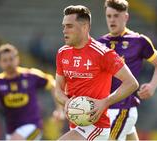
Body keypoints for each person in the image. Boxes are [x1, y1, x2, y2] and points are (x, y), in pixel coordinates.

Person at [55, 5, 139, 140]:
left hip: (96, 127)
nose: (64, 30)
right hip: (76, 125)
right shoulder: (62, 53)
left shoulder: (103, 53)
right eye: (64, 26)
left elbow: (132, 83)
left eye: (69, 26)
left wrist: (104, 102)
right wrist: (66, 102)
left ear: (84, 27)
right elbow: (58, 89)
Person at [97, 0, 157, 141]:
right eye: (109, 16)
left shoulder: (139, 41)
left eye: (116, 16)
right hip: (105, 108)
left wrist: (152, 86)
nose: (112, 20)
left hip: (123, 108)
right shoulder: (100, 43)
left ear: (126, 17)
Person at [0, 44, 57, 140]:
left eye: (11, 59)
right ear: (0, 63)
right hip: (11, 130)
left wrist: (59, 109)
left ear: (18, 59)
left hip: (32, 126)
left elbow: (53, 84)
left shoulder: (31, 75)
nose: (9, 63)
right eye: (5, 60)